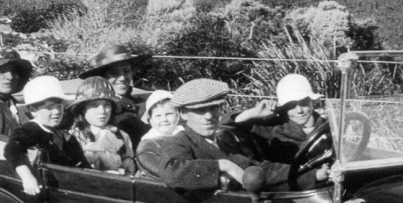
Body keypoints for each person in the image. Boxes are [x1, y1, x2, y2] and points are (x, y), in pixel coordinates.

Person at [137, 78, 290, 192]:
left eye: (214, 108)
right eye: (200, 111)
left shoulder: (222, 140)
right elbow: (172, 173)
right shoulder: (177, 142)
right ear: (182, 114)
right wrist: (223, 166)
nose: (209, 116)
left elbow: (255, 168)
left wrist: (308, 174)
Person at [5, 75, 86, 194]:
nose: (57, 112)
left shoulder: (63, 135)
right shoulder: (30, 130)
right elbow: (12, 149)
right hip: (46, 192)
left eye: (59, 106)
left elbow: (82, 164)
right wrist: (26, 176)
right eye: (49, 108)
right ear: (33, 110)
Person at [79, 44, 153, 145]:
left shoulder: (147, 104)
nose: (122, 78)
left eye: (126, 71)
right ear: (103, 76)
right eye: (114, 72)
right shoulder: (96, 110)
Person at [63, 77, 133, 172]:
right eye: (94, 105)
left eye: (106, 105)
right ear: (83, 109)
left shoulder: (123, 136)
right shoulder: (73, 136)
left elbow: (130, 168)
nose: (102, 111)